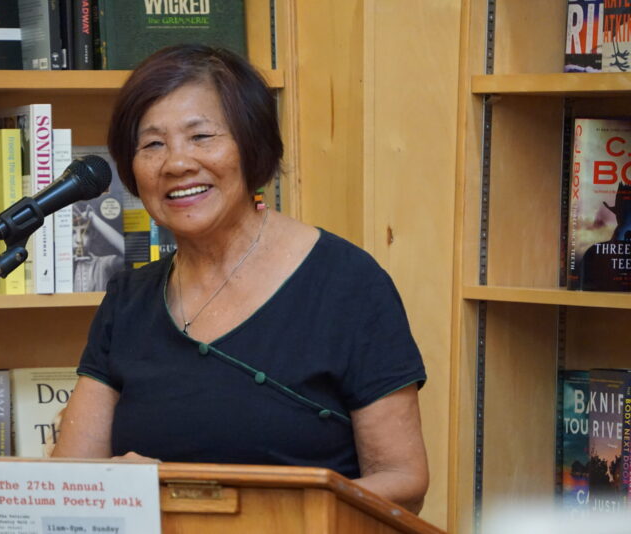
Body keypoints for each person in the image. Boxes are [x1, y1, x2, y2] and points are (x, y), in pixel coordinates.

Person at [52, 45, 429, 513]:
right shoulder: (129, 301)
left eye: (201, 136)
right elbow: (67, 480)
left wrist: (251, 511)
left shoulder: (350, 285)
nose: (176, 163)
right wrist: (116, 484)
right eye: (152, 144)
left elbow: (404, 481)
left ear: (252, 147)